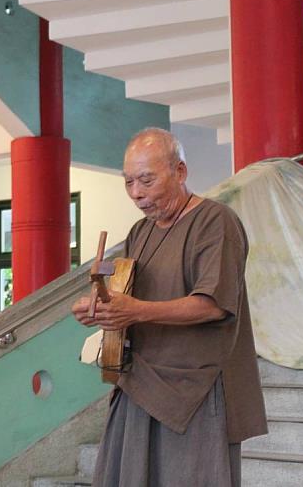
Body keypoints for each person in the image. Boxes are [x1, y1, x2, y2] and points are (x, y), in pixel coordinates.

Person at [72, 128, 267, 487]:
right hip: (140, 381)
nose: (137, 194)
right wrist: (101, 310)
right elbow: (126, 296)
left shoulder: (215, 222)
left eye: (146, 180)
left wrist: (136, 310)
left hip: (195, 389)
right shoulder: (139, 232)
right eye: (129, 182)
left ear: (180, 172)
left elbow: (212, 306)